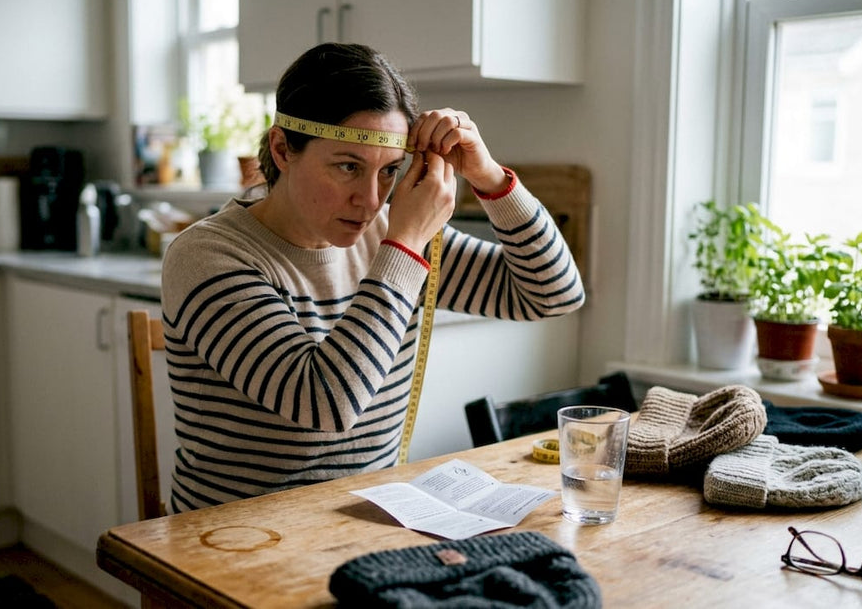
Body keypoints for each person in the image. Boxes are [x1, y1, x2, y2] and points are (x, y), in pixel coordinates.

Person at [160, 43, 585, 513]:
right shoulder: (207, 255)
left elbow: (553, 294)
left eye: (389, 172)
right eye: (348, 167)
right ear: (282, 149)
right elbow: (324, 405)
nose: (370, 200)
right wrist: (404, 245)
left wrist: (487, 177)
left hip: (368, 519)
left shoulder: (386, 234)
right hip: (235, 538)